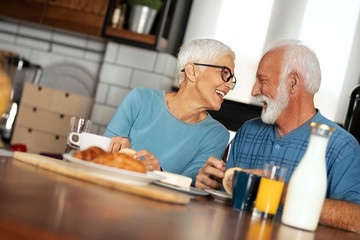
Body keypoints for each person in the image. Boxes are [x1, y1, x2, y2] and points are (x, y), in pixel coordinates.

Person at [195, 39, 360, 233]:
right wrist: (210, 184)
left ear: (293, 82)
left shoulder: (341, 146)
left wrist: (279, 192)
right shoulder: (248, 131)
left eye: (263, 80)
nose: (254, 91)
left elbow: (355, 218)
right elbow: (226, 198)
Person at [104, 38, 236, 184]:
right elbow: (100, 157)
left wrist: (158, 172)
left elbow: (190, 185)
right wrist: (114, 149)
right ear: (192, 71)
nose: (230, 85)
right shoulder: (140, 99)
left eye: (232, 79)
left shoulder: (216, 135)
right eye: (225, 73)